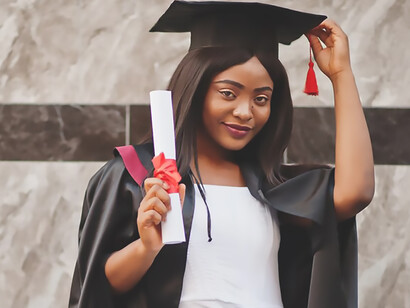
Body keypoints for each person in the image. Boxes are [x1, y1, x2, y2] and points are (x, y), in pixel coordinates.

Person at [69, 1, 374, 308]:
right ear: (196, 88)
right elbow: (98, 286)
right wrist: (146, 247)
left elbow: (355, 192)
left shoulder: (275, 189)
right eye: (228, 93)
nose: (245, 112)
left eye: (261, 98)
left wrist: (340, 74)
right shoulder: (137, 175)